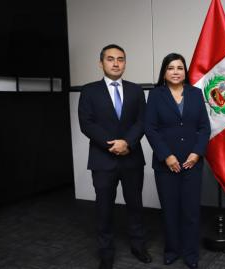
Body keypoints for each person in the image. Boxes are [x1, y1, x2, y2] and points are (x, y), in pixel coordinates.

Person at [78, 44, 151, 269]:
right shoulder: (89, 91)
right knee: (104, 209)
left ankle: (138, 246)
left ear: (125, 63)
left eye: (120, 59)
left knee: (135, 206)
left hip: (131, 158)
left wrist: (127, 143)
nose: (116, 63)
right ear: (101, 63)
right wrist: (112, 145)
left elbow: (142, 121)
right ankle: (106, 254)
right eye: (110, 59)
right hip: (103, 159)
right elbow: (86, 123)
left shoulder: (136, 90)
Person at [144, 53, 210, 269]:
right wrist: (167, 156)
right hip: (166, 164)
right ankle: (172, 250)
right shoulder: (155, 95)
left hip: (193, 162)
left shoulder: (196, 93)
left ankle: (191, 253)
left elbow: (204, 127)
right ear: (164, 72)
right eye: (171, 68)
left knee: (191, 211)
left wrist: (196, 153)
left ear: (185, 72)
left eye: (180, 68)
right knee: (170, 210)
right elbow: (150, 129)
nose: (175, 71)